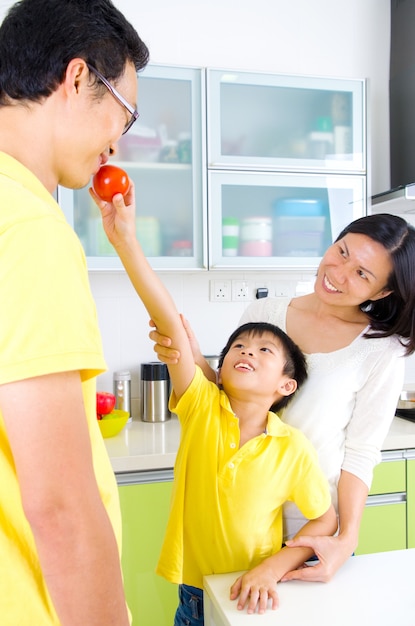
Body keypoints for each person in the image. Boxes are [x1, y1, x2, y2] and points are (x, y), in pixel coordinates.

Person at [91, 183, 338, 623]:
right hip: (196, 594)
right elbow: (168, 321)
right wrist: (125, 240)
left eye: (265, 352)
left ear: (286, 386)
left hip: (256, 595)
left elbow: (324, 521)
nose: (246, 351)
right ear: (219, 368)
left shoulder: (292, 448)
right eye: (238, 346)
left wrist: (273, 566)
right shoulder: (202, 406)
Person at [150, 212, 415, 583]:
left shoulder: (379, 350)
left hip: (308, 531)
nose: (338, 273)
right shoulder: (266, 312)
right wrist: (192, 359)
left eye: (362, 274)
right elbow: (230, 399)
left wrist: (346, 535)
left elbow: (361, 452)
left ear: (383, 292)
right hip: (237, 521)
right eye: (341, 252)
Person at [0, 1, 149, 624]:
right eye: (126, 112)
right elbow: (59, 505)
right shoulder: (30, 227)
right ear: (79, 77)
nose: (118, 141)